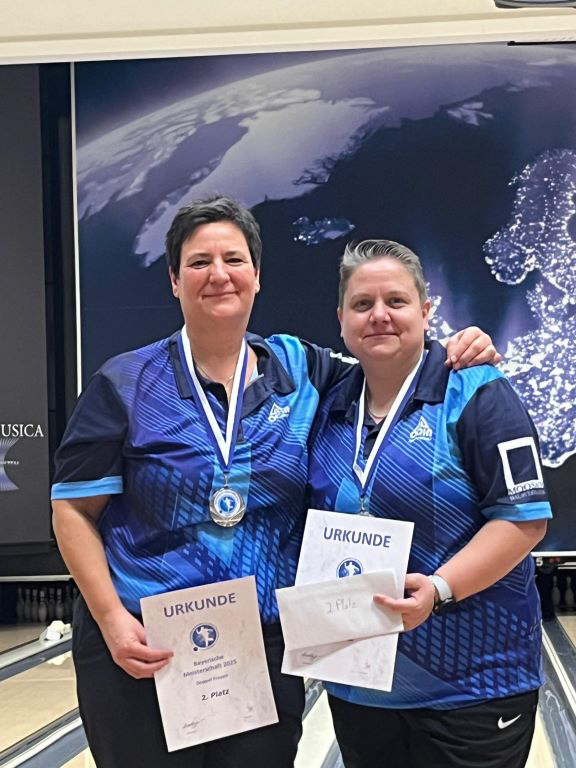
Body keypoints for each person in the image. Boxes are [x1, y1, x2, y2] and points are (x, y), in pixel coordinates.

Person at [51, 198, 499, 768]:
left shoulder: (300, 367)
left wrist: (459, 349)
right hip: (143, 643)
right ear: (174, 281)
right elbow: (73, 510)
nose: (218, 274)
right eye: (199, 262)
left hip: (259, 644)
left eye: (234, 259)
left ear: (257, 276)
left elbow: (388, 361)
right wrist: (112, 620)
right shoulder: (126, 382)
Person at [307, 239, 552, 768]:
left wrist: (439, 590)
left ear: (425, 311)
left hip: (473, 684)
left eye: (395, 301)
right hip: (359, 683)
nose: (379, 315)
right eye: (362, 304)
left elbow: (524, 521)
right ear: (341, 320)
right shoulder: (327, 404)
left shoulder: (477, 391)